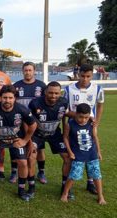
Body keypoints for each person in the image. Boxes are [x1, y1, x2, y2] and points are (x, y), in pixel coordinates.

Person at [0, 85, 37, 201]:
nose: (7, 100)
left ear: (15, 98)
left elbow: (33, 125)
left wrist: (25, 140)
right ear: (0, 98)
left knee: (23, 163)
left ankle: (21, 190)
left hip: (15, 140)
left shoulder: (22, 109)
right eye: (4, 98)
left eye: (10, 98)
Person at [63, 63, 104, 194]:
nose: (85, 79)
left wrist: (96, 121)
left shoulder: (97, 89)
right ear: (78, 74)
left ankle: (90, 182)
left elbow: (100, 105)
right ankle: (67, 186)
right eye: (82, 76)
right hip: (73, 126)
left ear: (92, 75)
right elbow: (65, 109)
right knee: (72, 156)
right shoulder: (69, 89)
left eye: (88, 76)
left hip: (89, 126)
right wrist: (76, 117)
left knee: (90, 151)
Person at [28, 81, 71, 199]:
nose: (53, 96)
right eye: (51, 93)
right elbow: (27, 122)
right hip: (37, 134)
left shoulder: (64, 102)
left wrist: (64, 134)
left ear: (60, 93)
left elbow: (65, 116)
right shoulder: (35, 103)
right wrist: (29, 140)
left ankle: (64, 187)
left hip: (55, 134)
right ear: (45, 92)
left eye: (56, 93)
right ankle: (31, 187)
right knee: (31, 156)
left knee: (68, 157)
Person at [61, 103, 105, 205]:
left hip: (92, 154)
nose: (83, 120)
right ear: (76, 114)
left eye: (86, 117)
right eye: (81, 117)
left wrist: (98, 151)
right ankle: (65, 193)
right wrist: (70, 152)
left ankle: (100, 196)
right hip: (78, 154)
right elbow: (65, 138)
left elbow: (95, 137)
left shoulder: (91, 123)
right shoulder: (70, 124)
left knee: (96, 175)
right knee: (73, 175)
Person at [11, 62, 47, 184]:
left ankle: (41, 172)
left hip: (36, 123)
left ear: (34, 71)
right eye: (25, 70)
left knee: (39, 149)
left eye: (30, 70)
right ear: (22, 71)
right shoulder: (16, 86)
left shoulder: (41, 86)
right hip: (19, 122)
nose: (28, 72)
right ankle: (14, 172)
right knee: (16, 146)